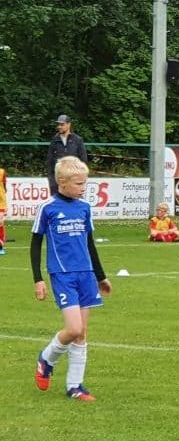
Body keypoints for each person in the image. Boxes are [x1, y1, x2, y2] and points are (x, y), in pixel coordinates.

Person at [31, 157, 112, 402]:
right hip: (62, 275)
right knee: (73, 328)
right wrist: (38, 279)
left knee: (82, 332)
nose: (82, 187)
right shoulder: (48, 208)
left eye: (84, 183)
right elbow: (35, 244)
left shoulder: (84, 207)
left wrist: (101, 276)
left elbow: (89, 244)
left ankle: (75, 386)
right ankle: (47, 358)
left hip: (86, 274)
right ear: (61, 182)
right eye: (78, 183)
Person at [46, 114, 88, 195]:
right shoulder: (55, 140)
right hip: (58, 179)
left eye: (62, 124)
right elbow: (49, 160)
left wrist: (81, 177)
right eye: (58, 124)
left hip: (73, 178)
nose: (59, 127)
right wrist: (51, 178)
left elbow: (83, 159)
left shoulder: (77, 140)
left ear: (69, 125)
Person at [0, 165, 7, 255]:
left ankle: (1, 246)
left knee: (0, 223)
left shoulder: (2, 172)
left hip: (0, 202)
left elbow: (4, 187)